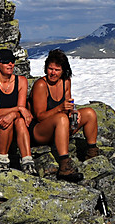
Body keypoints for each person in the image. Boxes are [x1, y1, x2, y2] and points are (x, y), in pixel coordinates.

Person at [30, 49, 99, 182]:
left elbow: (68, 105)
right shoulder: (41, 85)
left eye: (57, 70)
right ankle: (64, 166)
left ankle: (92, 153)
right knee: (61, 118)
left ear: (63, 71)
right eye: (50, 69)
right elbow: (39, 116)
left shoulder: (66, 82)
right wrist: (60, 109)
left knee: (90, 113)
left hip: (60, 126)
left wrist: (74, 112)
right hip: (40, 131)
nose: (53, 73)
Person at [0, 49, 37, 175]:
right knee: (5, 121)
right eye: (6, 62)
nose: (10, 64)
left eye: (12, 61)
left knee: (18, 120)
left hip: (15, 125)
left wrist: (14, 113)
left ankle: (27, 161)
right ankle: (2, 161)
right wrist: (17, 109)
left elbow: (21, 112)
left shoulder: (21, 81)